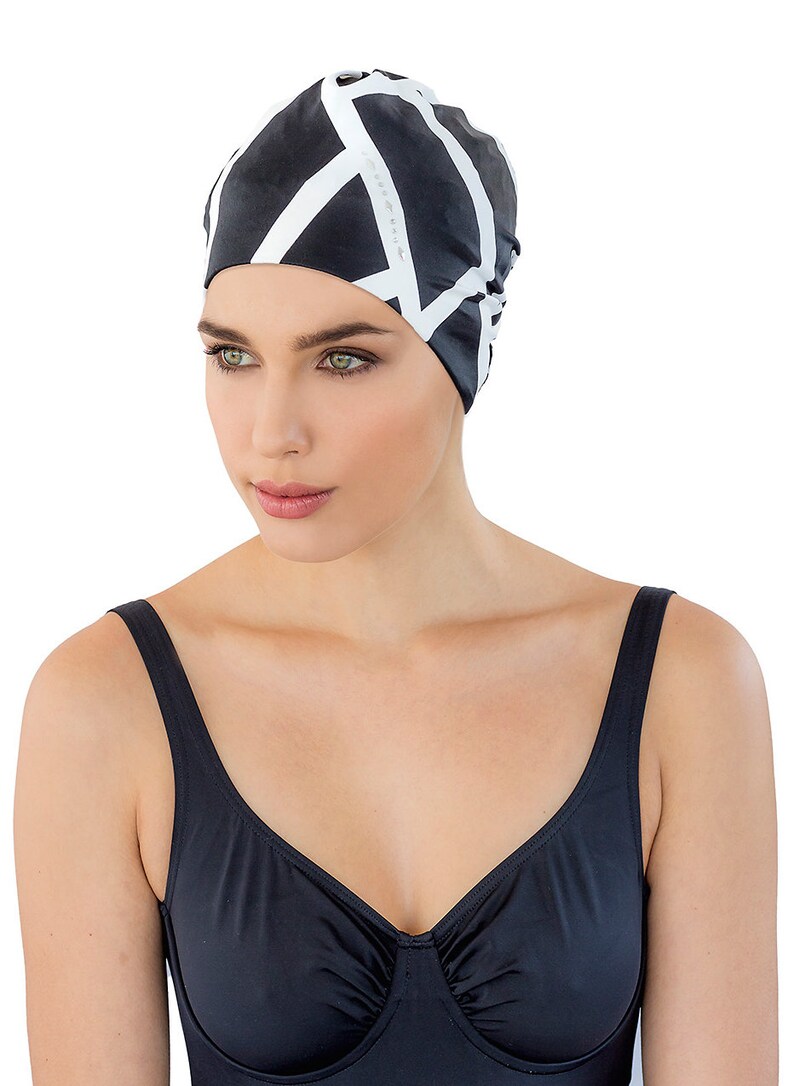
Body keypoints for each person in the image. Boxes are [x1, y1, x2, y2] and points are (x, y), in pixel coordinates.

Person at [14, 69, 777, 1085]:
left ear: (463, 352)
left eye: (342, 360)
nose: (271, 433)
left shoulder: (682, 681)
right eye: (233, 356)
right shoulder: (106, 701)